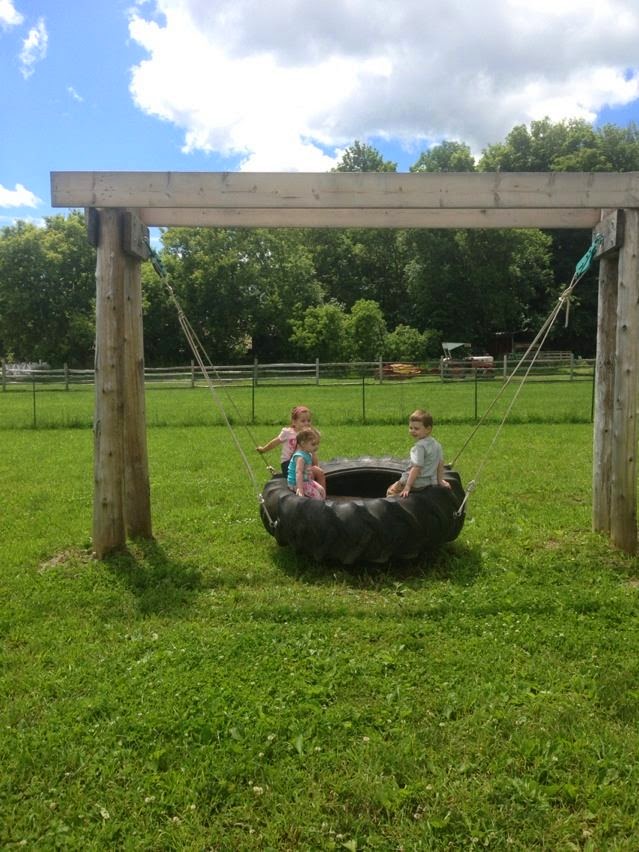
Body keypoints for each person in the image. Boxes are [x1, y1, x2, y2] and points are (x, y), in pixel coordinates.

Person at [256, 405, 326, 490]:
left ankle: (322, 494)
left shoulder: (310, 435)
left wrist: (316, 466)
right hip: (288, 463)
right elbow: (275, 442)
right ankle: (302, 490)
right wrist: (263, 449)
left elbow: (313, 452)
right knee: (305, 473)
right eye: (303, 421)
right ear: (294, 422)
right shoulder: (288, 433)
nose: (307, 423)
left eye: (308, 420)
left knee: (317, 472)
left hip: (304, 461)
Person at [386, 409, 451, 498]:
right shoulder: (437, 445)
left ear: (428, 429)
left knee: (391, 491)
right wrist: (440, 481)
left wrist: (407, 486)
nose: (413, 431)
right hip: (429, 483)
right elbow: (440, 463)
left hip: (416, 483)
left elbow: (417, 467)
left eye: (416, 429)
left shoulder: (419, 447)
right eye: (411, 428)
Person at [287, 427, 326, 499]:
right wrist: (300, 489)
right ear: (303, 443)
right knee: (317, 496)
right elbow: (298, 473)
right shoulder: (300, 457)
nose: (316, 447)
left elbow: (312, 466)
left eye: (317, 444)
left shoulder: (308, 454)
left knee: (322, 490)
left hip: (307, 480)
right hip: (296, 483)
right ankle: (318, 507)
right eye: (313, 444)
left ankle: (322, 503)